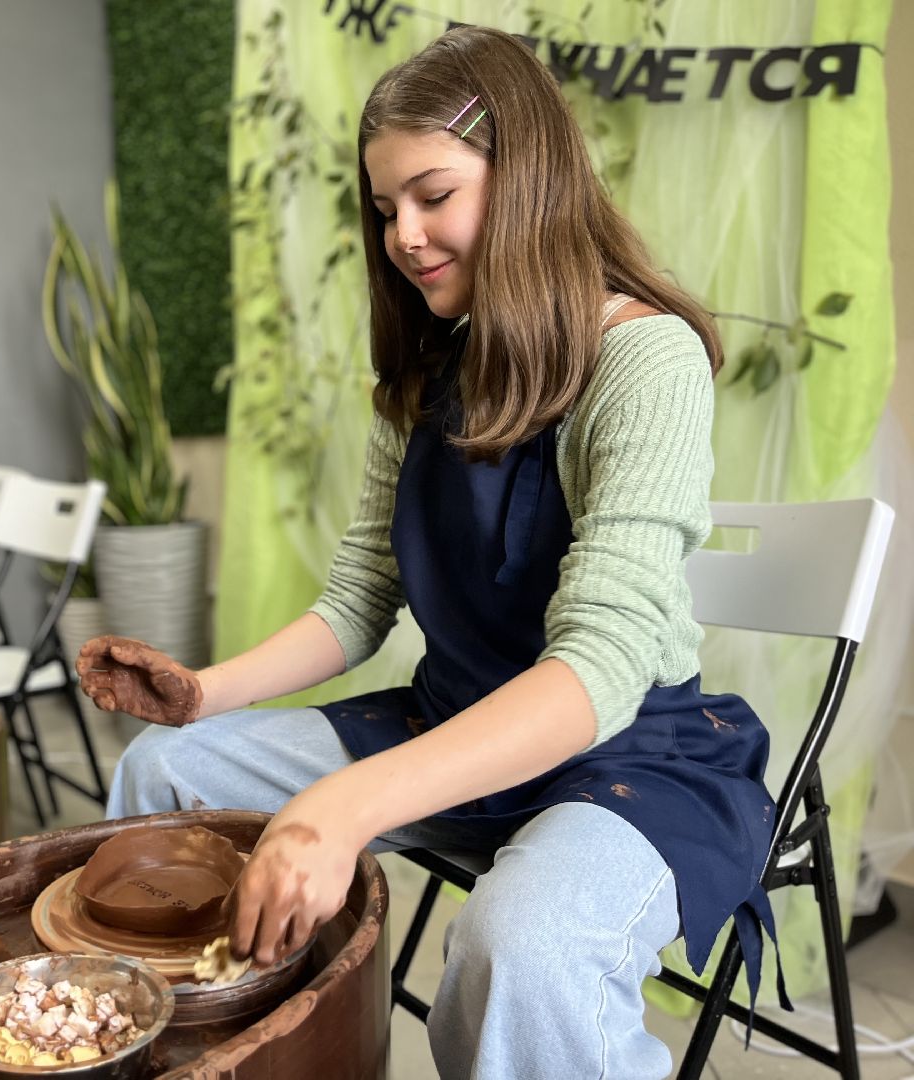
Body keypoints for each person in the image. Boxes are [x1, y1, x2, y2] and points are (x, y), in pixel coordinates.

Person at [77, 24, 780, 1079]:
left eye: (433, 194)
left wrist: (345, 805)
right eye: (383, 207)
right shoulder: (427, 375)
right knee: (165, 774)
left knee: (521, 948)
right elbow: (361, 596)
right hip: (451, 717)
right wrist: (201, 694)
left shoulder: (646, 358)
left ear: (529, 174)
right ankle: (238, 1055)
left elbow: (597, 670)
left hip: (626, 754)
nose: (404, 234)